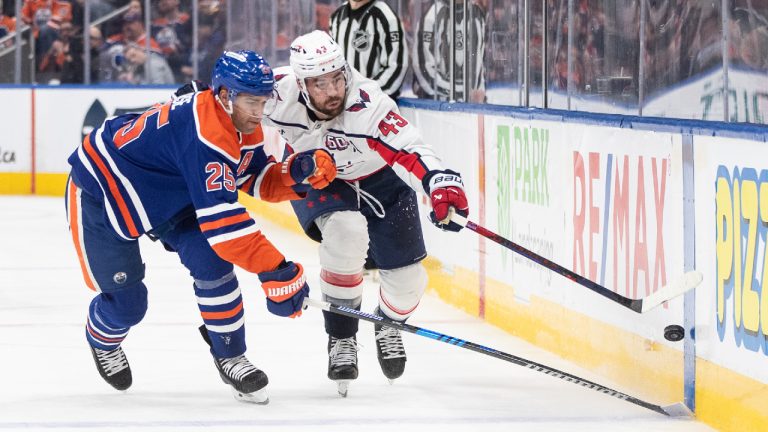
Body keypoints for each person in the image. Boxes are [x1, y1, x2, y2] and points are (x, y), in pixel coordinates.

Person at [65, 50, 336, 403]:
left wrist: (296, 171)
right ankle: (102, 340)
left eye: (263, 101)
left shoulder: (239, 122)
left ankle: (229, 354)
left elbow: (252, 178)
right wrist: (278, 271)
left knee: (213, 264)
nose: (259, 112)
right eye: (251, 102)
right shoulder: (206, 134)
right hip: (104, 193)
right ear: (225, 96)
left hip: (173, 195)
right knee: (128, 305)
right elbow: (225, 226)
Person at [269, 30, 468, 395]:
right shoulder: (276, 92)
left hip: (383, 182)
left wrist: (439, 181)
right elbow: (222, 104)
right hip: (319, 177)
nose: (332, 91)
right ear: (300, 84)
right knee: (345, 233)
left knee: (409, 284)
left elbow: (409, 146)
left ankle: (389, 324)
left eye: (337, 78)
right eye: (319, 83)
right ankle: (342, 337)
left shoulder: (368, 104)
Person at [330, 0, 408, 98]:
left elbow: (396, 67)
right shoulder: (337, 16)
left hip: (374, 106)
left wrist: (365, 96)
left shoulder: (386, 16)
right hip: (342, 103)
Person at [413, 0, 486, 102]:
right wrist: (461, 92)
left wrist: (478, 90)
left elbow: (479, 61)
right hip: (438, 107)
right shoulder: (432, 15)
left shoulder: (476, 15)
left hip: (471, 106)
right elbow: (424, 69)